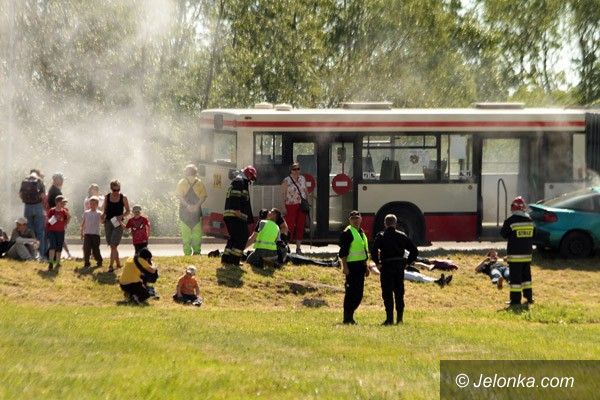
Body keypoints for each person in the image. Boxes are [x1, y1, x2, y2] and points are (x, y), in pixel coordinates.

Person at [371, 214, 419, 325]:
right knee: (399, 293)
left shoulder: (381, 236)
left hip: (386, 267)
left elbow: (373, 251)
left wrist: (377, 263)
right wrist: (407, 262)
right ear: (396, 224)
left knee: (387, 294)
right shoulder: (402, 236)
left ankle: (389, 319)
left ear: (385, 223)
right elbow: (414, 251)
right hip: (399, 267)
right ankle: (400, 319)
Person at [339, 210, 373, 325]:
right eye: (353, 219)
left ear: (361, 219)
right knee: (350, 293)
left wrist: (366, 266)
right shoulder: (347, 232)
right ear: (349, 220)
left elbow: (363, 252)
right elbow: (343, 252)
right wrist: (345, 267)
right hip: (351, 267)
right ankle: (347, 318)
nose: (355, 220)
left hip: (360, 266)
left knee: (359, 294)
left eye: (357, 218)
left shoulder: (361, 232)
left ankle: (351, 316)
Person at [500, 196, 535, 307]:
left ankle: (515, 301)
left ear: (513, 207)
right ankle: (529, 298)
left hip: (515, 256)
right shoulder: (530, 220)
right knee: (527, 278)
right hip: (527, 255)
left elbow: (503, 234)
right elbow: (535, 234)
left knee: (515, 279)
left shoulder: (510, 221)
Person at [221, 166, 256, 266]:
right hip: (235, 215)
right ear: (248, 174)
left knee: (234, 237)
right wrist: (237, 212)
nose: (251, 180)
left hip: (231, 215)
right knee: (242, 237)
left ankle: (226, 258)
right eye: (252, 177)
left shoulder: (238, 181)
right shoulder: (240, 182)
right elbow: (235, 197)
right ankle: (234, 260)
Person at [176, 164, 207, 256]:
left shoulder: (182, 182)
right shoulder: (200, 183)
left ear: (186, 172)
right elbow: (203, 197)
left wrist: (187, 206)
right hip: (196, 213)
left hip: (184, 212)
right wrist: (196, 206)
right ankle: (197, 252)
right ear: (195, 172)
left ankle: (187, 253)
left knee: (186, 234)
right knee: (197, 234)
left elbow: (179, 196)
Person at [102, 179, 130, 272]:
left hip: (118, 223)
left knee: (113, 245)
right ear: (111, 189)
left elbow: (128, 211)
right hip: (108, 222)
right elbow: (105, 210)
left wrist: (121, 216)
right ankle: (118, 263)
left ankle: (110, 266)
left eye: (118, 190)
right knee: (112, 245)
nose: (116, 192)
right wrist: (102, 216)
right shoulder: (107, 197)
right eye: (114, 190)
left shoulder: (123, 197)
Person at [281, 163, 309, 254]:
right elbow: (283, 194)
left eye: (298, 169)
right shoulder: (286, 180)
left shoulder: (303, 179)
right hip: (290, 205)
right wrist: (283, 206)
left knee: (300, 225)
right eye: (294, 169)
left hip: (301, 205)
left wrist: (307, 202)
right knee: (289, 226)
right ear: (291, 170)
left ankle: (298, 248)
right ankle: (286, 246)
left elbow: (306, 191)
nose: (296, 171)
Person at [19, 169, 46, 260]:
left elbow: (20, 194)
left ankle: (32, 254)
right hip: (38, 207)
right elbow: (43, 196)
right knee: (40, 232)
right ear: (38, 174)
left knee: (30, 231)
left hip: (27, 207)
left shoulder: (25, 180)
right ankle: (41, 255)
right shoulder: (39, 181)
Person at [46, 172, 72, 259]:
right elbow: (58, 204)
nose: (62, 181)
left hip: (54, 215)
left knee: (57, 236)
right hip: (56, 216)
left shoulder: (53, 189)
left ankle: (66, 254)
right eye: (61, 179)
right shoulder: (56, 191)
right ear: (56, 180)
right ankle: (54, 256)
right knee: (58, 236)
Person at [46, 195, 70, 270]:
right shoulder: (52, 211)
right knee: (52, 246)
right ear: (57, 202)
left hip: (61, 231)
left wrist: (67, 221)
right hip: (52, 231)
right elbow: (48, 221)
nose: (63, 204)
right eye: (62, 202)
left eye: (64, 203)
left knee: (59, 247)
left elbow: (67, 220)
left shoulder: (64, 211)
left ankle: (58, 262)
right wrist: (55, 218)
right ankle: (51, 262)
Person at [80, 196, 103, 268]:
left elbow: (102, 222)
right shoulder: (86, 213)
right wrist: (81, 233)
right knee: (86, 249)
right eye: (91, 204)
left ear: (97, 205)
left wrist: (103, 216)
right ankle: (87, 262)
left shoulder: (99, 213)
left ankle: (99, 260)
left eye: (94, 204)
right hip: (87, 234)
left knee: (95, 250)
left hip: (95, 234)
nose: (92, 205)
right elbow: (83, 223)